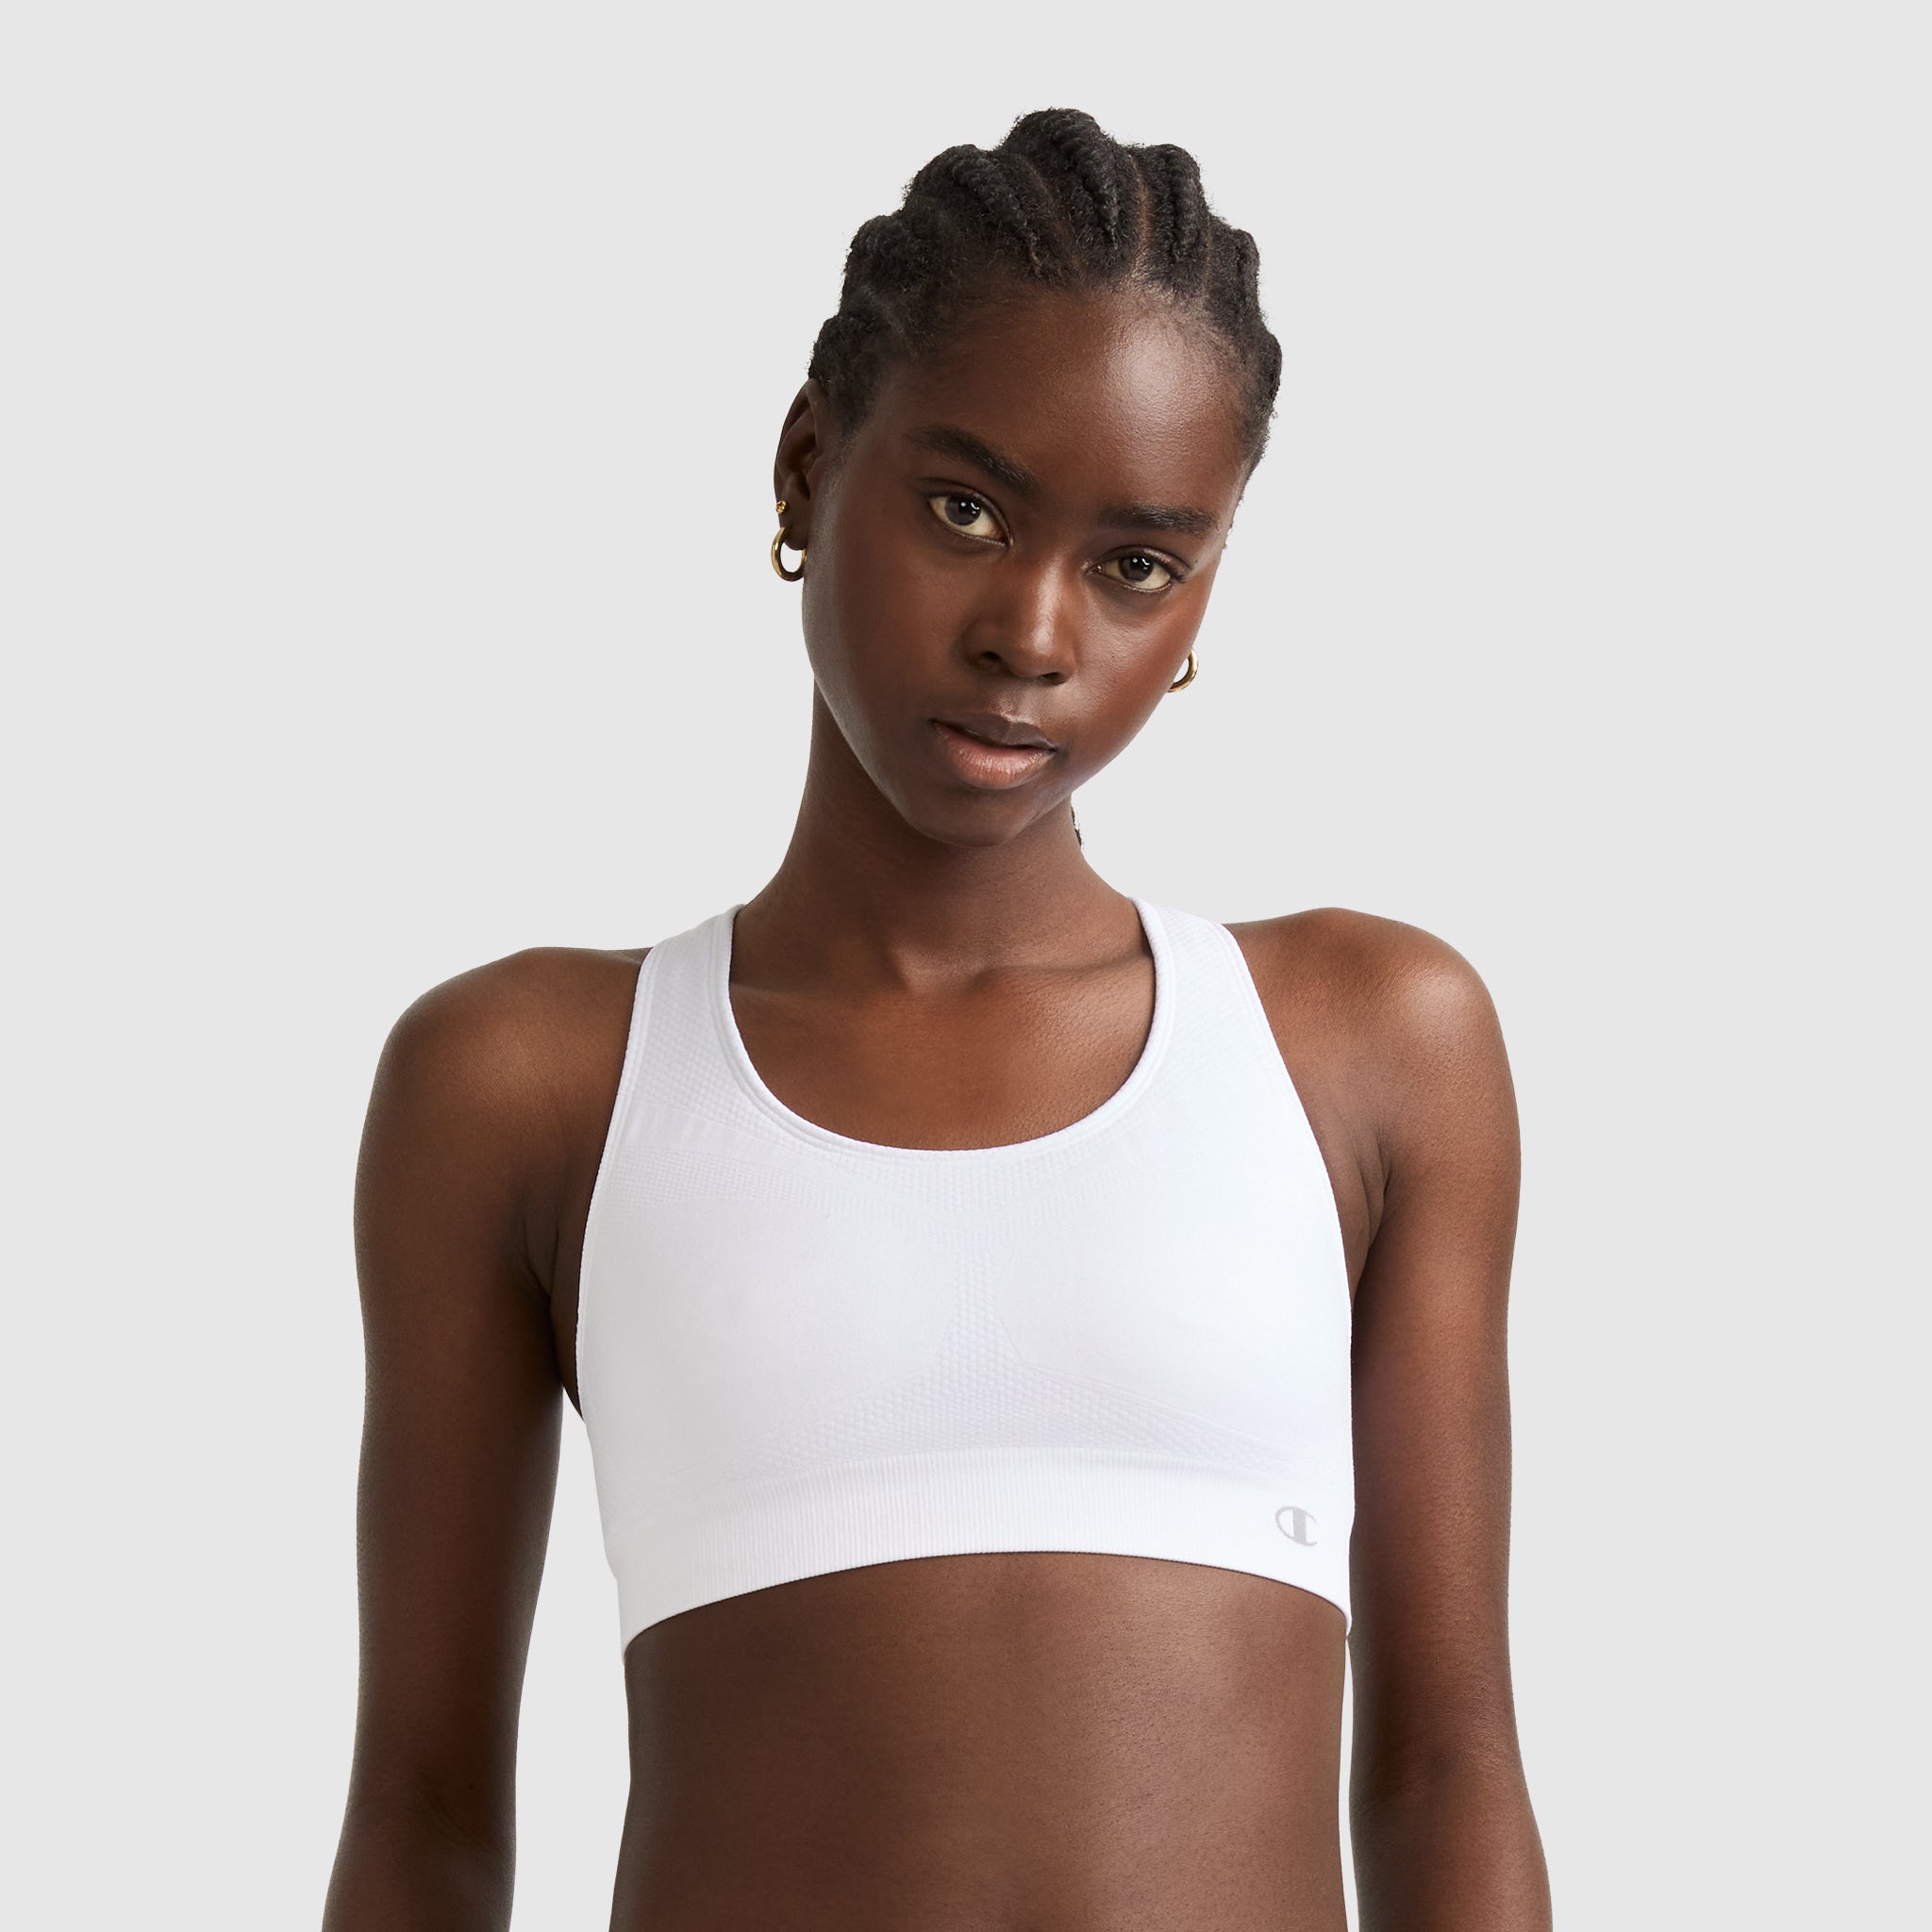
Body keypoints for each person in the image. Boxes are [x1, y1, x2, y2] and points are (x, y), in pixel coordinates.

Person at [323, 107, 1551, 1932]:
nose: (1032, 634)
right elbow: (425, 1814)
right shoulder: (532, 1084)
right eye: (966, 510)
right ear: (807, 468)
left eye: (1137, 563)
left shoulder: (1370, 1047)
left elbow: (1449, 1766)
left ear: (1201, 598)